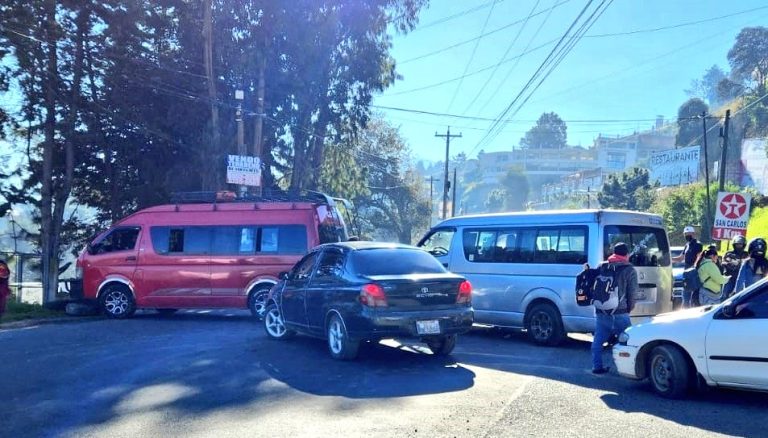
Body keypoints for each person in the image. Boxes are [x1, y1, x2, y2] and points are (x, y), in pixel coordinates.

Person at [591, 242, 637, 375]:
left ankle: (597, 366)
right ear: (627, 254)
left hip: (601, 309)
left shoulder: (603, 266)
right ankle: (627, 369)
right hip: (620, 311)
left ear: (614, 253)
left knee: (598, 339)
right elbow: (632, 293)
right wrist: (630, 308)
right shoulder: (629, 270)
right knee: (626, 340)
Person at [671, 226, 703, 307]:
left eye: (688, 234)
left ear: (693, 234)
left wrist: (694, 268)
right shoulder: (687, 245)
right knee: (685, 297)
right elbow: (681, 258)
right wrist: (669, 260)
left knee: (693, 298)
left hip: (694, 274)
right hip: (686, 275)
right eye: (685, 234)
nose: (687, 236)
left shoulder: (698, 245)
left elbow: (699, 257)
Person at [722, 235, 749, 300]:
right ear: (734, 245)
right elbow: (725, 263)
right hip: (730, 278)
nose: (739, 246)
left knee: (742, 296)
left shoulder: (747, 254)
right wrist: (733, 264)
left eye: (740, 244)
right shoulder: (729, 253)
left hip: (741, 279)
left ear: (744, 245)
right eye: (737, 244)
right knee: (724, 296)